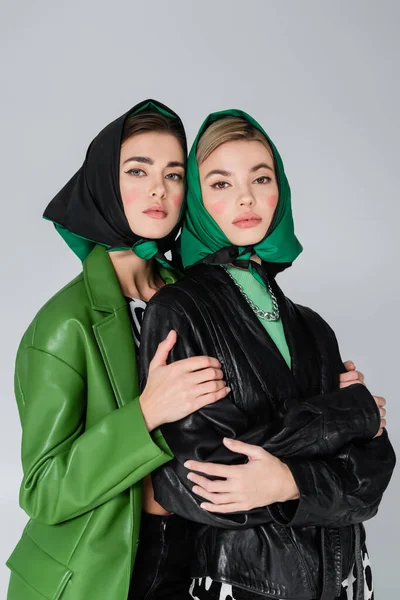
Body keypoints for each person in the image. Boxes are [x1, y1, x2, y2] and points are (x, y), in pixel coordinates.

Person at [139, 109, 395, 600]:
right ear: (195, 198)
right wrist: (349, 417)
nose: (246, 197)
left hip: (343, 580)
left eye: (262, 177)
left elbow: (374, 475)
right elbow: (198, 482)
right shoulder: (180, 309)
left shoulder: (313, 327)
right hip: (247, 585)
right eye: (220, 183)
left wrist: (288, 482)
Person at [5, 99, 231, 600]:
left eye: (174, 175)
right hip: (103, 574)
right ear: (106, 185)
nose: (158, 188)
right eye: (138, 170)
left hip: (200, 555)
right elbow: (42, 489)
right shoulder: (63, 325)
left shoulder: (202, 295)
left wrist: (332, 397)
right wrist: (147, 411)